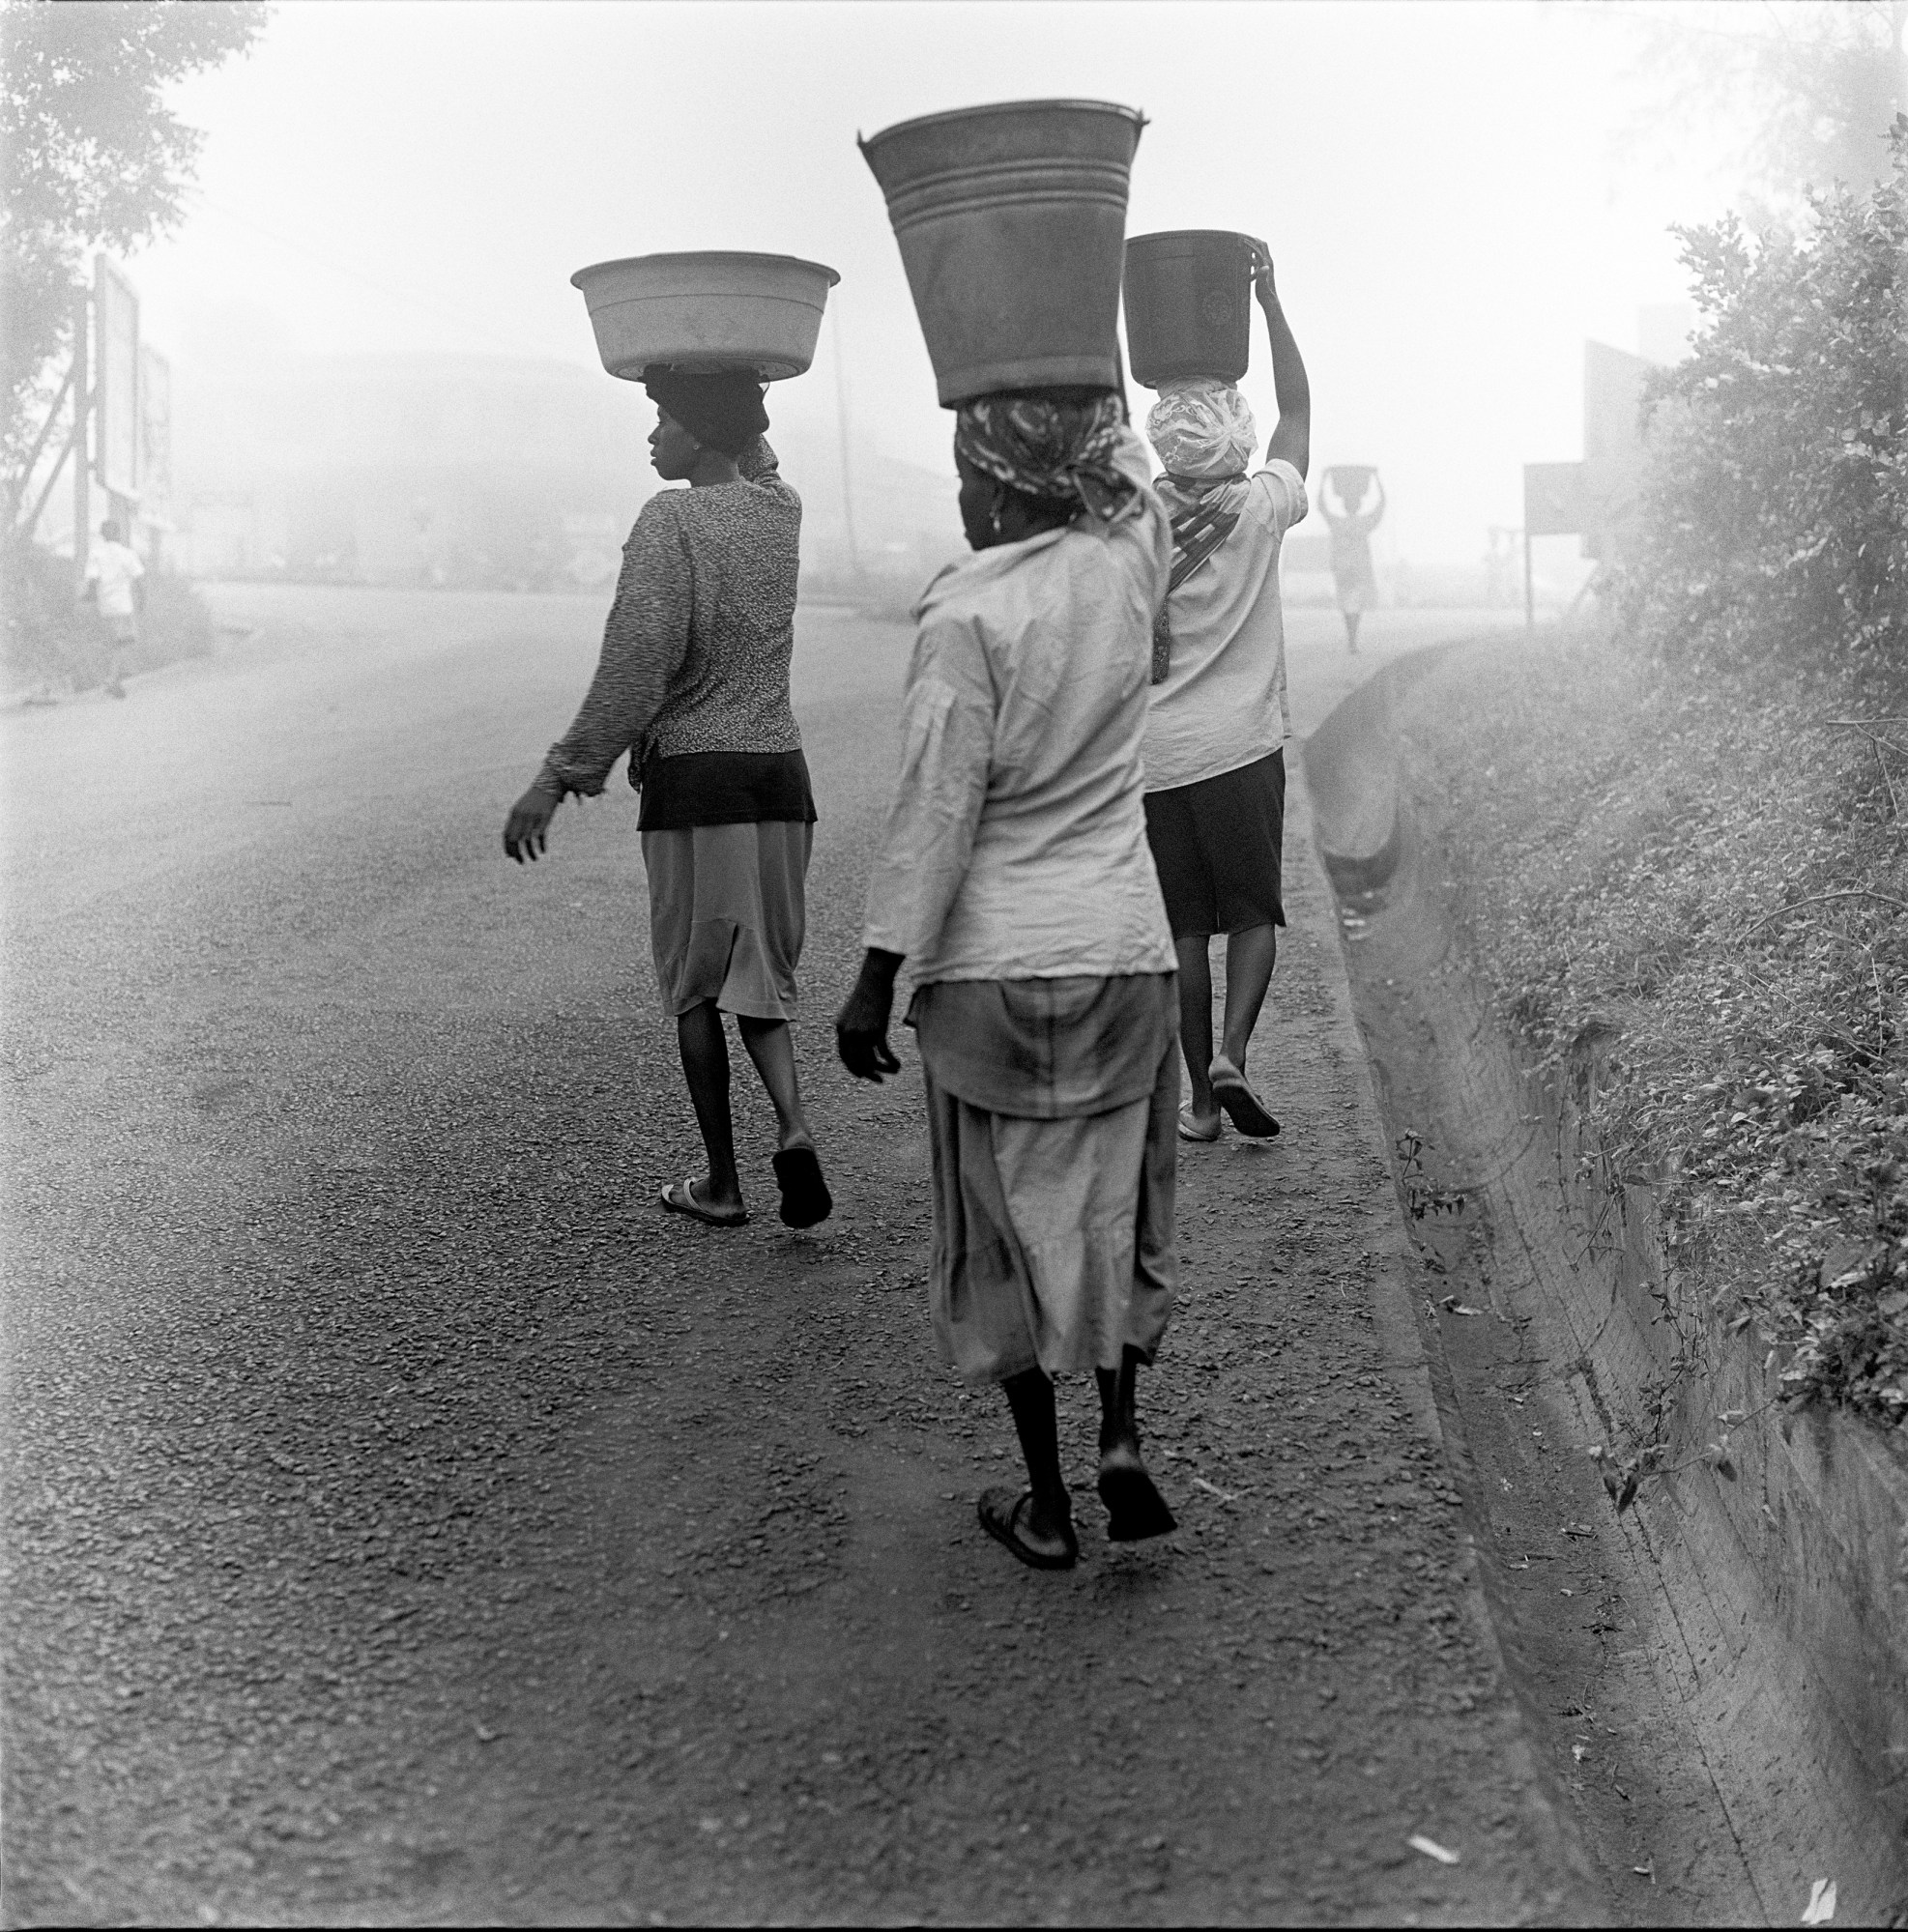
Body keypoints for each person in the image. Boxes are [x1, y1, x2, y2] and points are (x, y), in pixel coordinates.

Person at [835, 389, 1181, 1571]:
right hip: (1124, 953)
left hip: (989, 971)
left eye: (969, 479)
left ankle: (1046, 1501)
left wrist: (878, 971)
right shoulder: (1126, 567)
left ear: (1004, 487)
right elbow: (1135, 475)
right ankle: (1123, 1432)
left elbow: (938, 805)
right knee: (1117, 1207)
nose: (965, 502)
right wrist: (1084, 357)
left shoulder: (965, 614)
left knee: (997, 1235)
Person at [503, 369, 832, 1232]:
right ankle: (794, 1129)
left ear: (704, 432)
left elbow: (638, 661)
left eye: (664, 419)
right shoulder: (780, 510)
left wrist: (560, 774)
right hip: (779, 775)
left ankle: (724, 1184)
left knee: (695, 987)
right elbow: (757, 455)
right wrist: (730, 388)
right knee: (761, 976)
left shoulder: (669, 521)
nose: (652, 437)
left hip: (697, 779)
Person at [1141, 243, 1311, 1146]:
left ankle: (1200, 1109)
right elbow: (1302, 410)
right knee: (1252, 915)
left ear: (1160, 434)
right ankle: (1233, 1055)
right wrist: (1269, 302)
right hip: (1242, 751)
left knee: (1181, 936)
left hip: (1157, 761)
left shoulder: (1129, 521)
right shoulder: (1261, 507)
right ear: (1236, 432)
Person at [1319, 464, 1385, 653]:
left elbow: (1321, 506)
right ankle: (1352, 639)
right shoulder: (1364, 524)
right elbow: (1382, 505)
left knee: (1347, 605)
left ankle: (1351, 639)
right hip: (1359, 569)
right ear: (1359, 505)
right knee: (1355, 605)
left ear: (1343, 504)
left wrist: (1324, 479)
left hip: (1342, 569)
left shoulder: (1337, 523)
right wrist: (1376, 479)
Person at [82, 517, 145, 699]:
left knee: (114, 641)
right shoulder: (127, 554)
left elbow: (93, 580)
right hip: (123, 605)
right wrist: (142, 600)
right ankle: (112, 678)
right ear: (118, 533)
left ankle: (113, 677)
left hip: (104, 605)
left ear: (102, 535)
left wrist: (90, 597)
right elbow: (139, 579)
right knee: (125, 641)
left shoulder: (96, 553)